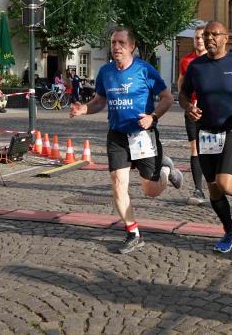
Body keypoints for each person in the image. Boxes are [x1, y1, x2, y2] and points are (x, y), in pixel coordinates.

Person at [70, 28, 183, 253]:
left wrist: (153, 117)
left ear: (132, 46)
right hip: (117, 135)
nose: (116, 47)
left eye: (121, 43)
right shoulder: (106, 72)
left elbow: (167, 98)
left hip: (143, 135)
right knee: (118, 183)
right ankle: (133, 233)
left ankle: (166, 170)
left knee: (150, 190)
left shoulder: (144, 69)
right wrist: (83, 109)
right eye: (113, 42)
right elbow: (99, 101)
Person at [179, 21, 232, 253]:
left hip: (231, 129)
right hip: (205, 132)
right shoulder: (196, 66)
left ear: (225, 38)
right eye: (207, 34)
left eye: (215, 34)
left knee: (225, 183)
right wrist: (188, 107)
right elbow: (183, 94)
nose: (209, 38)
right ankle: (229, 231)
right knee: (213, 188)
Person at [177, 26, 210, 205]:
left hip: (211, 111)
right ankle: (198, 189)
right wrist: (186, 101)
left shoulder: (213, 59)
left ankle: (217, 186)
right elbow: (181, 82)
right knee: (195, 149)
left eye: (202, 37)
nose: (199, 40)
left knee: (212, 148)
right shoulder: (186, 60)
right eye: (196, 37)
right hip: (192, 110)